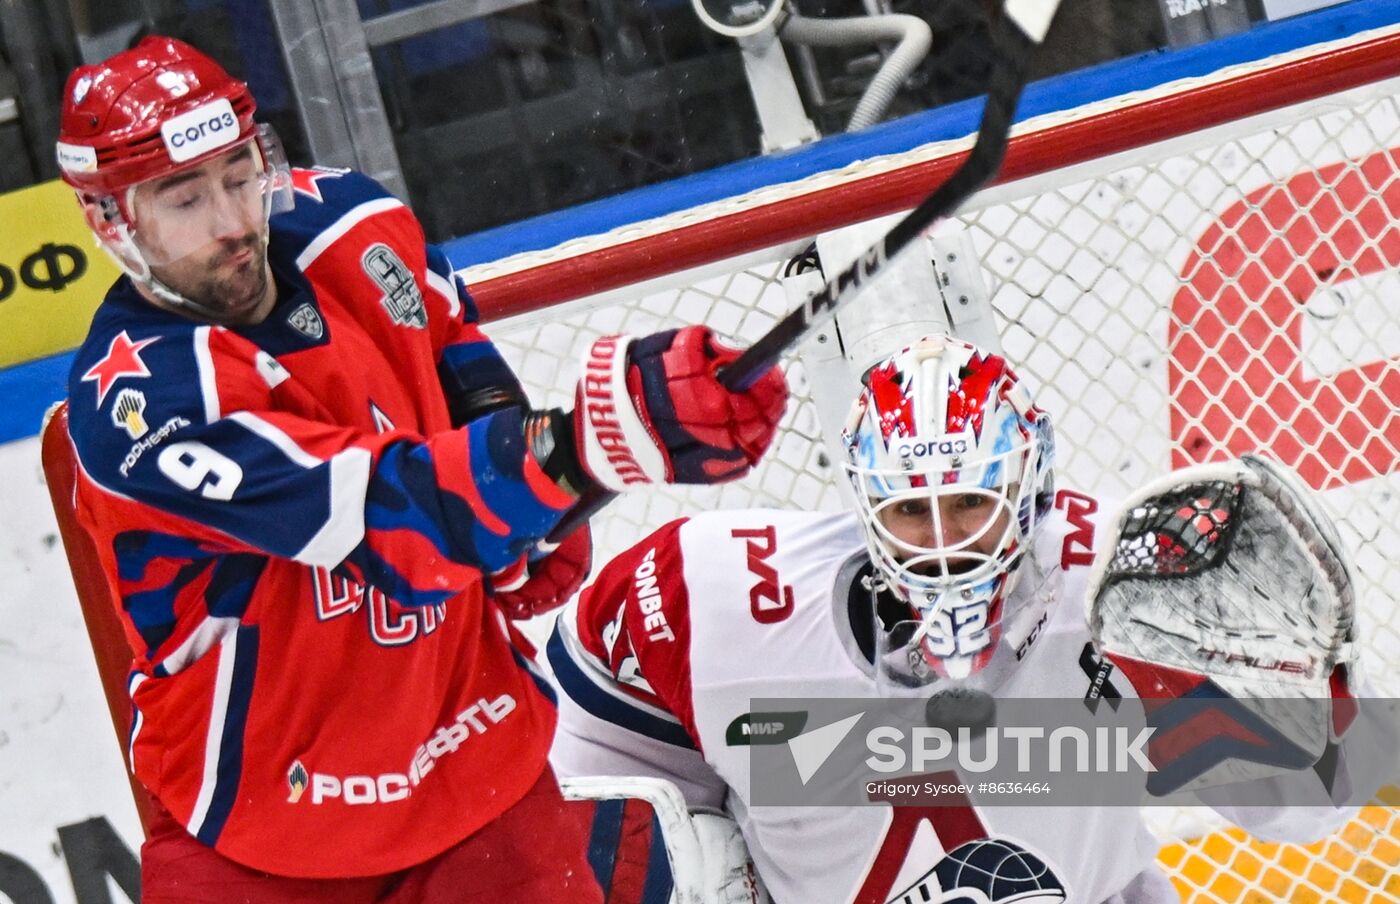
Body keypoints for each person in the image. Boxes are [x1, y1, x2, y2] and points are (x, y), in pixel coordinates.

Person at [56, 36, 787, 903]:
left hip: (477, 776)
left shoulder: (355, 229)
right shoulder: (143, 403)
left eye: (240, 172)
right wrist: (587, 441)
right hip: (266, 834)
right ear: (113, 223)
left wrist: (538, 517)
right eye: (185, 198)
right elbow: (384, 517)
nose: (231, 220)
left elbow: (457, 362)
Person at [545, 332, 1389, 904]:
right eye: (913, 511)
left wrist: (1313, 699)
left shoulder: (1119, 590)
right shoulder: (710, 595)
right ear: (865, 503)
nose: (945, 547)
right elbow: (588, 780)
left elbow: (1306, 809)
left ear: (1028, 489)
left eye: (970, 504)